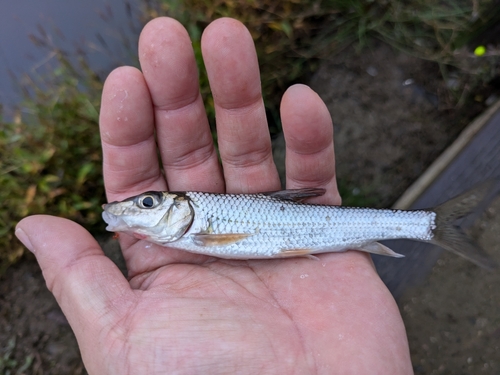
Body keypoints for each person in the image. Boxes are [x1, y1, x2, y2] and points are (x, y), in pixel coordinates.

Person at [15, 17, 413, 374]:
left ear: (177, 209)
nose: (138, 209)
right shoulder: (190, 228)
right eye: (145, 204)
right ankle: (420, 226)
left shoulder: (198, 229)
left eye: (149, 203)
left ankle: (423, 225)